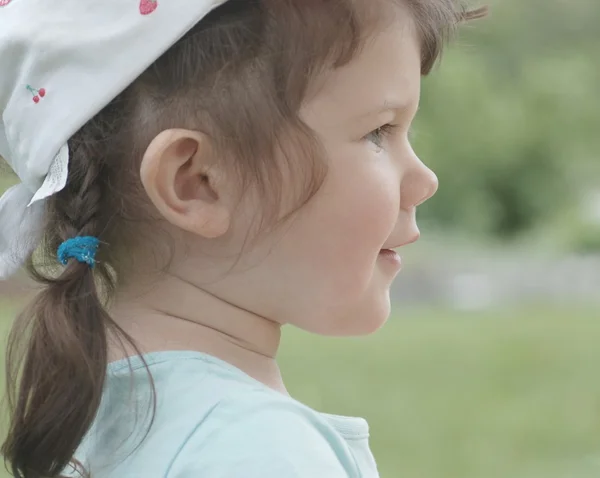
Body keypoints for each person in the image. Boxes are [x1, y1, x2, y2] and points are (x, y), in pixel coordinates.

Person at [0, 1, 486, 477]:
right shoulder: (259, 452)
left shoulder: (99, 421)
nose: (425, 180)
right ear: (199, 182)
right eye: (379, 131)